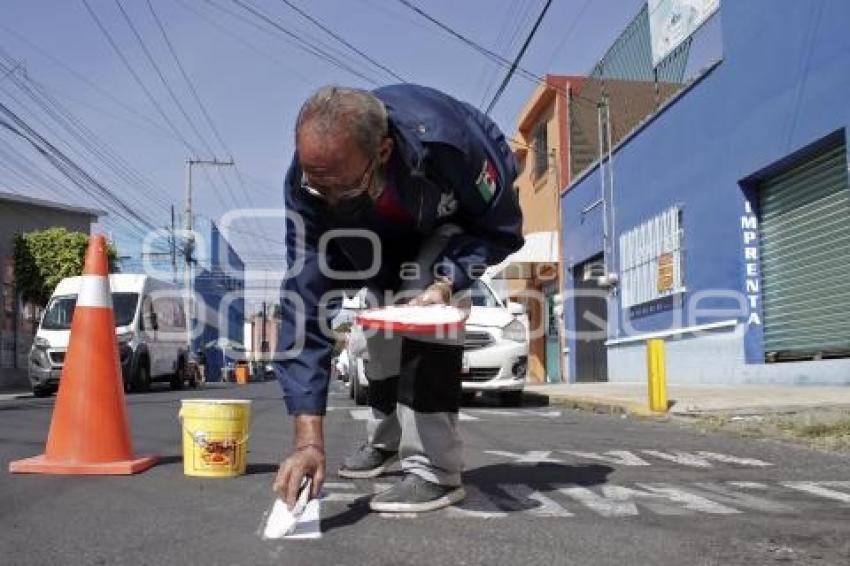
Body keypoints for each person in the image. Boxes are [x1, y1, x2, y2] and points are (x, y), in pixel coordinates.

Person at [273, 84, 523, 513]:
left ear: (384, 152)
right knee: (377, 332)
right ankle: (385, 443)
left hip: (448, 228)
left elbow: (501, 228)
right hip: (378, 243)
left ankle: (435, 470)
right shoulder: (307, 184)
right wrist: (308, 441)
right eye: (320, 189)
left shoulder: (451, 144)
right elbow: (304, 301)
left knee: (426, 307)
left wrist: (447, 282)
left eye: (344, 189)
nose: (329, 199)